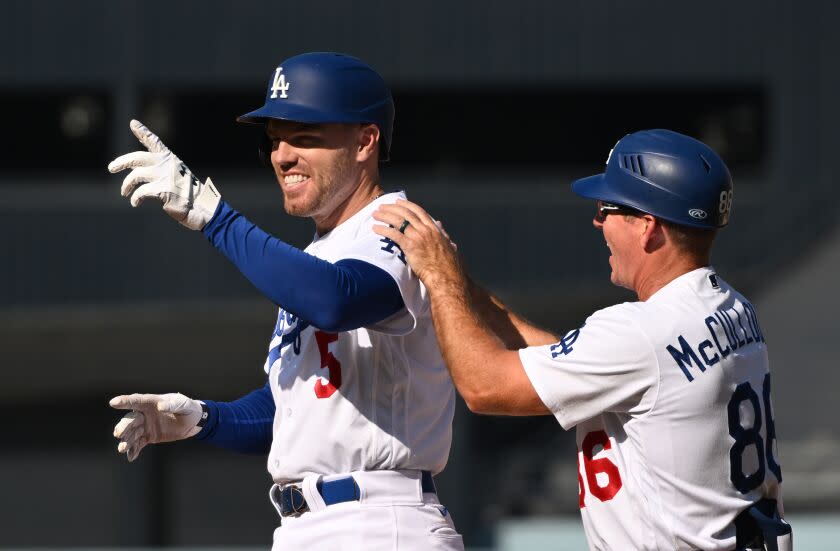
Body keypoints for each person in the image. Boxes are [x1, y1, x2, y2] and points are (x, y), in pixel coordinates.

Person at [106, 52, 464, 551]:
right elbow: (293, 408)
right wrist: (205, 419)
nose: (283, 155)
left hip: (380, 521)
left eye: (305, 136)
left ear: (365, 141)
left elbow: (336, 300)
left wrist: (217, 219)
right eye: (276, 138)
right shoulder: (320, 253)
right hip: (305, 525)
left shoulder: (401, 225)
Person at [372, 129, 792, 551]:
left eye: (607, 208)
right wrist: (464, 287)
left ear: (647, 227)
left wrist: (439, 278)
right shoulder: (731, 306)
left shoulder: (640, 331)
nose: (597, 220)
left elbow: (484, 388)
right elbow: (579, 363)